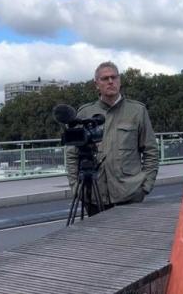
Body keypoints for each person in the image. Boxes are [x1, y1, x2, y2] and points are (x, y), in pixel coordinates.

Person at [66, 61, 159, 216]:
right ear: (97, 84)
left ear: (119, 80)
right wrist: (76, 188)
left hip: (129, 195)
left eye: (113, 77)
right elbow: (72, 154)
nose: (110, 81)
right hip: (94, 196)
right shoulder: (85, 113)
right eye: (105, 78)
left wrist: (145, 186)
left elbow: (150, 150)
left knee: (130, 240)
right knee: (98, 240)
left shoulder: (137, 111)